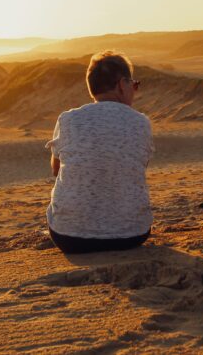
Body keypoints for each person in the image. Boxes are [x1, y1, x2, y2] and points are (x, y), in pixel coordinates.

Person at [47, 51, 153, 254]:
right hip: (132, 235)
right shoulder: (141, 122)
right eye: (134, 84)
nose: (134, 90)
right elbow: (135, 167)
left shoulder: (68, 120)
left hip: (69, 238)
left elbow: (55, 170)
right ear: (122, 84)